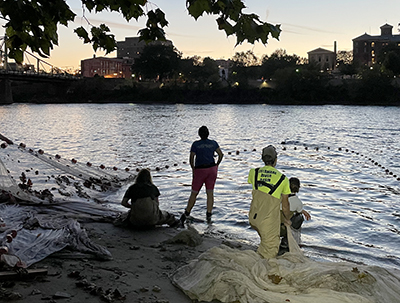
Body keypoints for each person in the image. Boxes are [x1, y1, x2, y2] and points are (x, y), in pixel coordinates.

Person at [247, 145, 291, 259]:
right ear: (276, 160)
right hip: (267, 221)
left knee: (264, 243)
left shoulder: (253, 172)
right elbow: (285, 206)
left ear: (262, 159)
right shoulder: (283, 179)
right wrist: (287, 219)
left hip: (253, 217)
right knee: (271, 249)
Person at [180, 126, 223, 225]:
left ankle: (186, 213)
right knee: (210, 193)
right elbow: (221, 155)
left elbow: (191, 158)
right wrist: (217, 165)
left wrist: (193, 168)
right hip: (212, 169)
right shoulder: (213, 143)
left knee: (194, 193)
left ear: (199, 134)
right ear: (208, 134)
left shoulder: (195, 144)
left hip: (200, 170)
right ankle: (209, 215)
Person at [279, 177, 311, 255]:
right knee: (299, 217)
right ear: (298, 188)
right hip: (282, 228)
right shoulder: (298, 202)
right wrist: (302, 211)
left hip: (272, 225)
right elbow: (298, 209)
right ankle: (289, 239)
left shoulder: (278, 196)